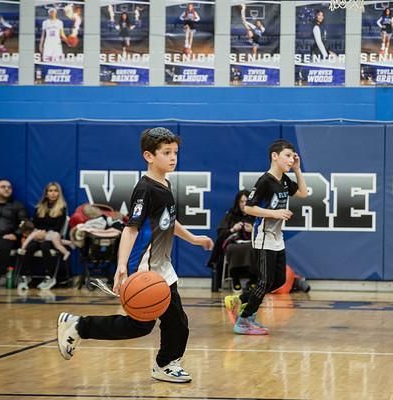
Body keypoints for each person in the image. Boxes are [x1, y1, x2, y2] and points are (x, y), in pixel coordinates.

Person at [56, 127, 214, 383]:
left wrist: (194, 238)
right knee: (142, 325)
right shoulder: (145, 189)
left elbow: (168, 221)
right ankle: (78, 326)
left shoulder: (165, 183)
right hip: (145, 268)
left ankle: (166, 363)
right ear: (149, 156)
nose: (173, 157)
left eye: (175, 152)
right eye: (166, 153)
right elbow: (131, 229)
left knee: (177, 322)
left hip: (162, 266)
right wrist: (121, 266)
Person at [224, 139, 308, 335]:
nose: (291, 159)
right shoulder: (265, 181)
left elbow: (303, 193)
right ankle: (244, 321)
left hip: (277, 237)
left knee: (278, 281)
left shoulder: (284, 180)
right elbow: (249, 208)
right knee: (264, 281)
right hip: (263, 236)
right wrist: (274, 213)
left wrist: (297, 170)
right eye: (287, 156)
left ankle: (239, 300)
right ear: (274, 156)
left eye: (293, 156)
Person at [20, 182, 69, 290]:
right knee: (31, 246)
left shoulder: (62, 208)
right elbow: (35, 224)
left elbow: (58, 227)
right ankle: (24, 275)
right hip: (38, 235)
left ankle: (49, 276)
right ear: (46, 193)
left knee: (45, 246)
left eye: (55, 191)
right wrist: (38, 234)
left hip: (52, 238)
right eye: (50, 191)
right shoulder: (39, 207)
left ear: (59, 193)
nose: (53, 193)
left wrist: (45, 233)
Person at [207, 190, 256, 292]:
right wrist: (233, 229)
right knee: (232, 248)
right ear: (237, 203)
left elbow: (265, 233)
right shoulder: (231, 215)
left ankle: (253, 280)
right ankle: (235, 279)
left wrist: (253, 230)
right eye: (241, 202)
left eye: (246, 201)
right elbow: (221, 233)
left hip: (251, 243)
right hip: (234, 243)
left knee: (254, 249)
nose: (244, 204)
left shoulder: (255, 215)